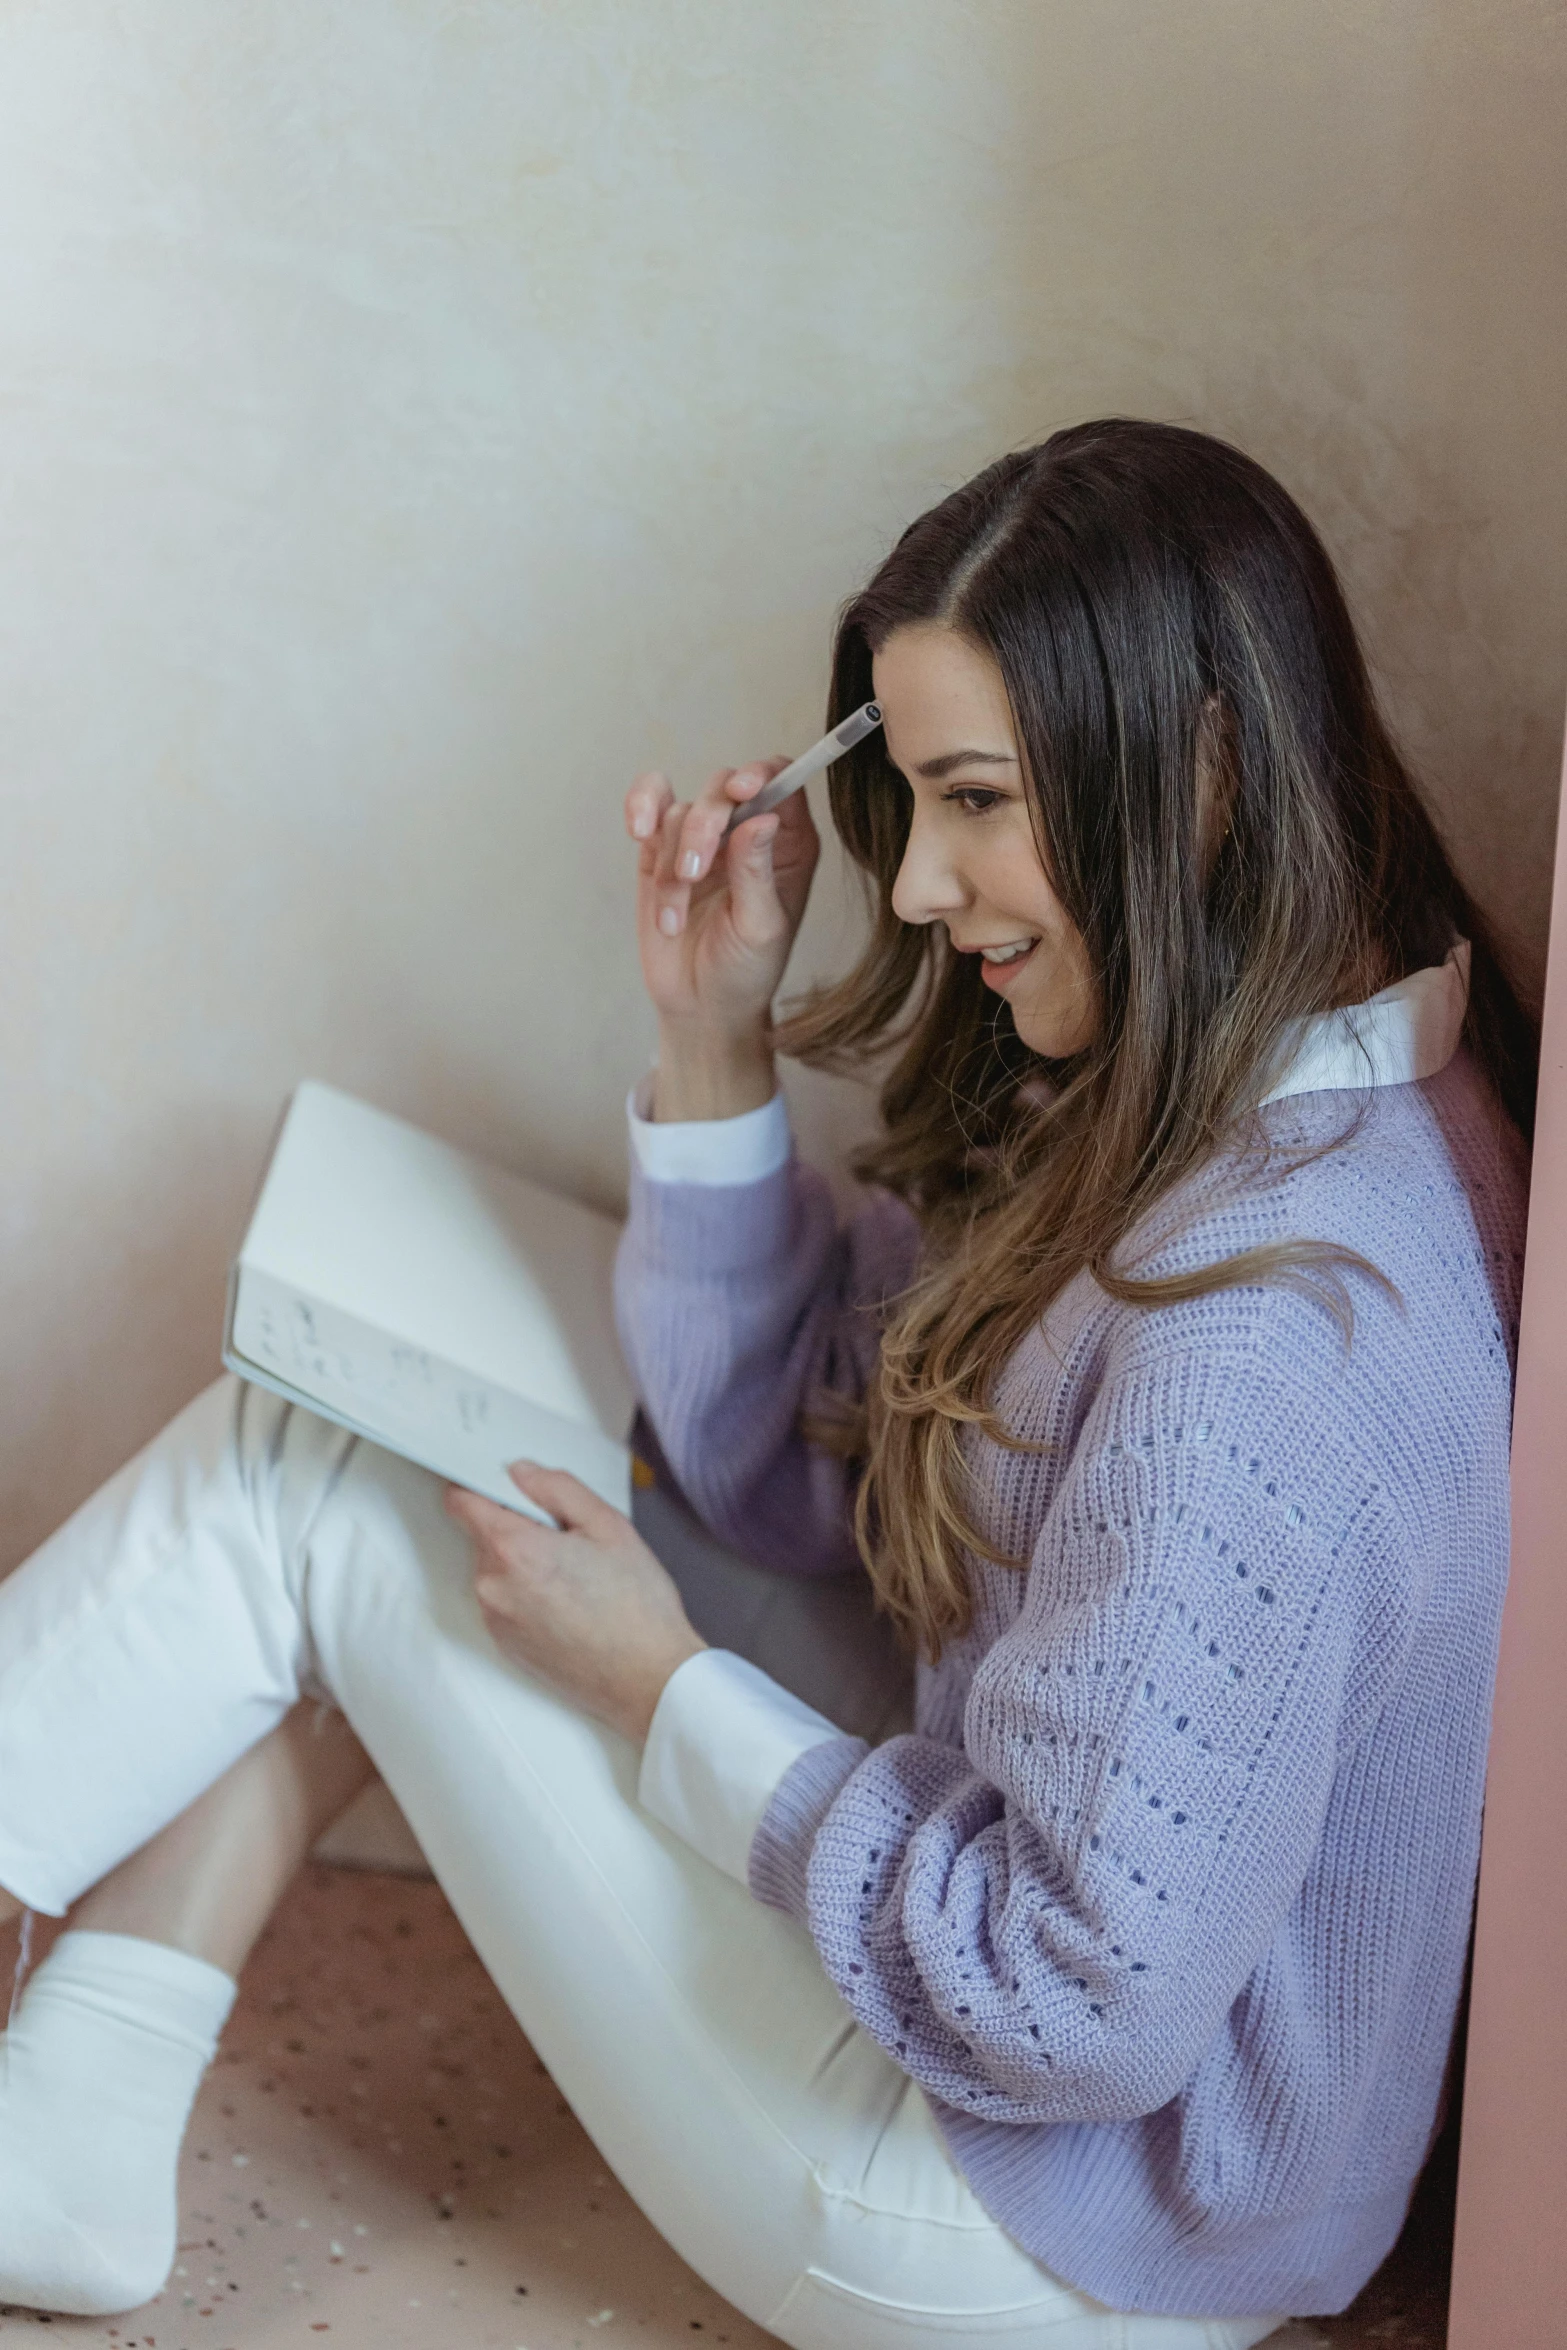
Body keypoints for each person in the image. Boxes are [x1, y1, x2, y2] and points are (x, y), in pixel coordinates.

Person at [0, 419, 1532, 2349]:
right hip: (1135, 2156)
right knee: (401, 1447)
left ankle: (76, 2086)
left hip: (1037, 2228)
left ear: (1206, 766)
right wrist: (708, 1039)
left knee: (329, 1461)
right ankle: (80, 2095)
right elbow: (797, 1465)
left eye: (976, 799)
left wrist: (665, 1690)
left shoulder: (1257, 1331)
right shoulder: (1287, 1083)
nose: (916, 887)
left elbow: (1063, 1999)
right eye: (914, 798)